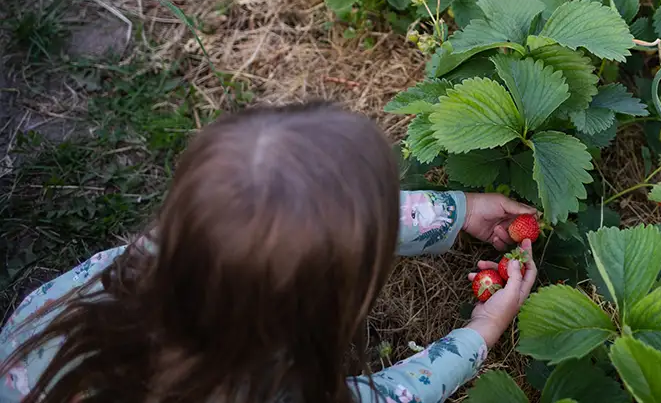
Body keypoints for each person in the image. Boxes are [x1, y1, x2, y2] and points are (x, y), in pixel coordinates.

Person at [0, 104, 538, 403]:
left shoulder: (123, 272)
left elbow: (302, 217)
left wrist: (456, 211)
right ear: (314, 312)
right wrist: (479, 334)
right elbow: (391, 397)